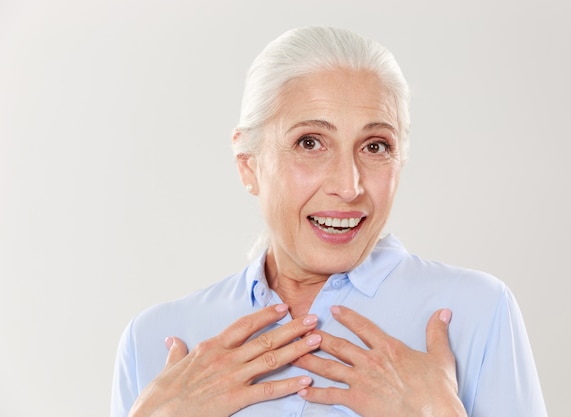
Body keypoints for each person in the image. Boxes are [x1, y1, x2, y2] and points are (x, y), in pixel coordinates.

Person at [111, 26, 547, 417]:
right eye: (310, 142)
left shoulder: (477, 311)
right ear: (248, 164)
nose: (349, 185)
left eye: (375, 146)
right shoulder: (155, 339)